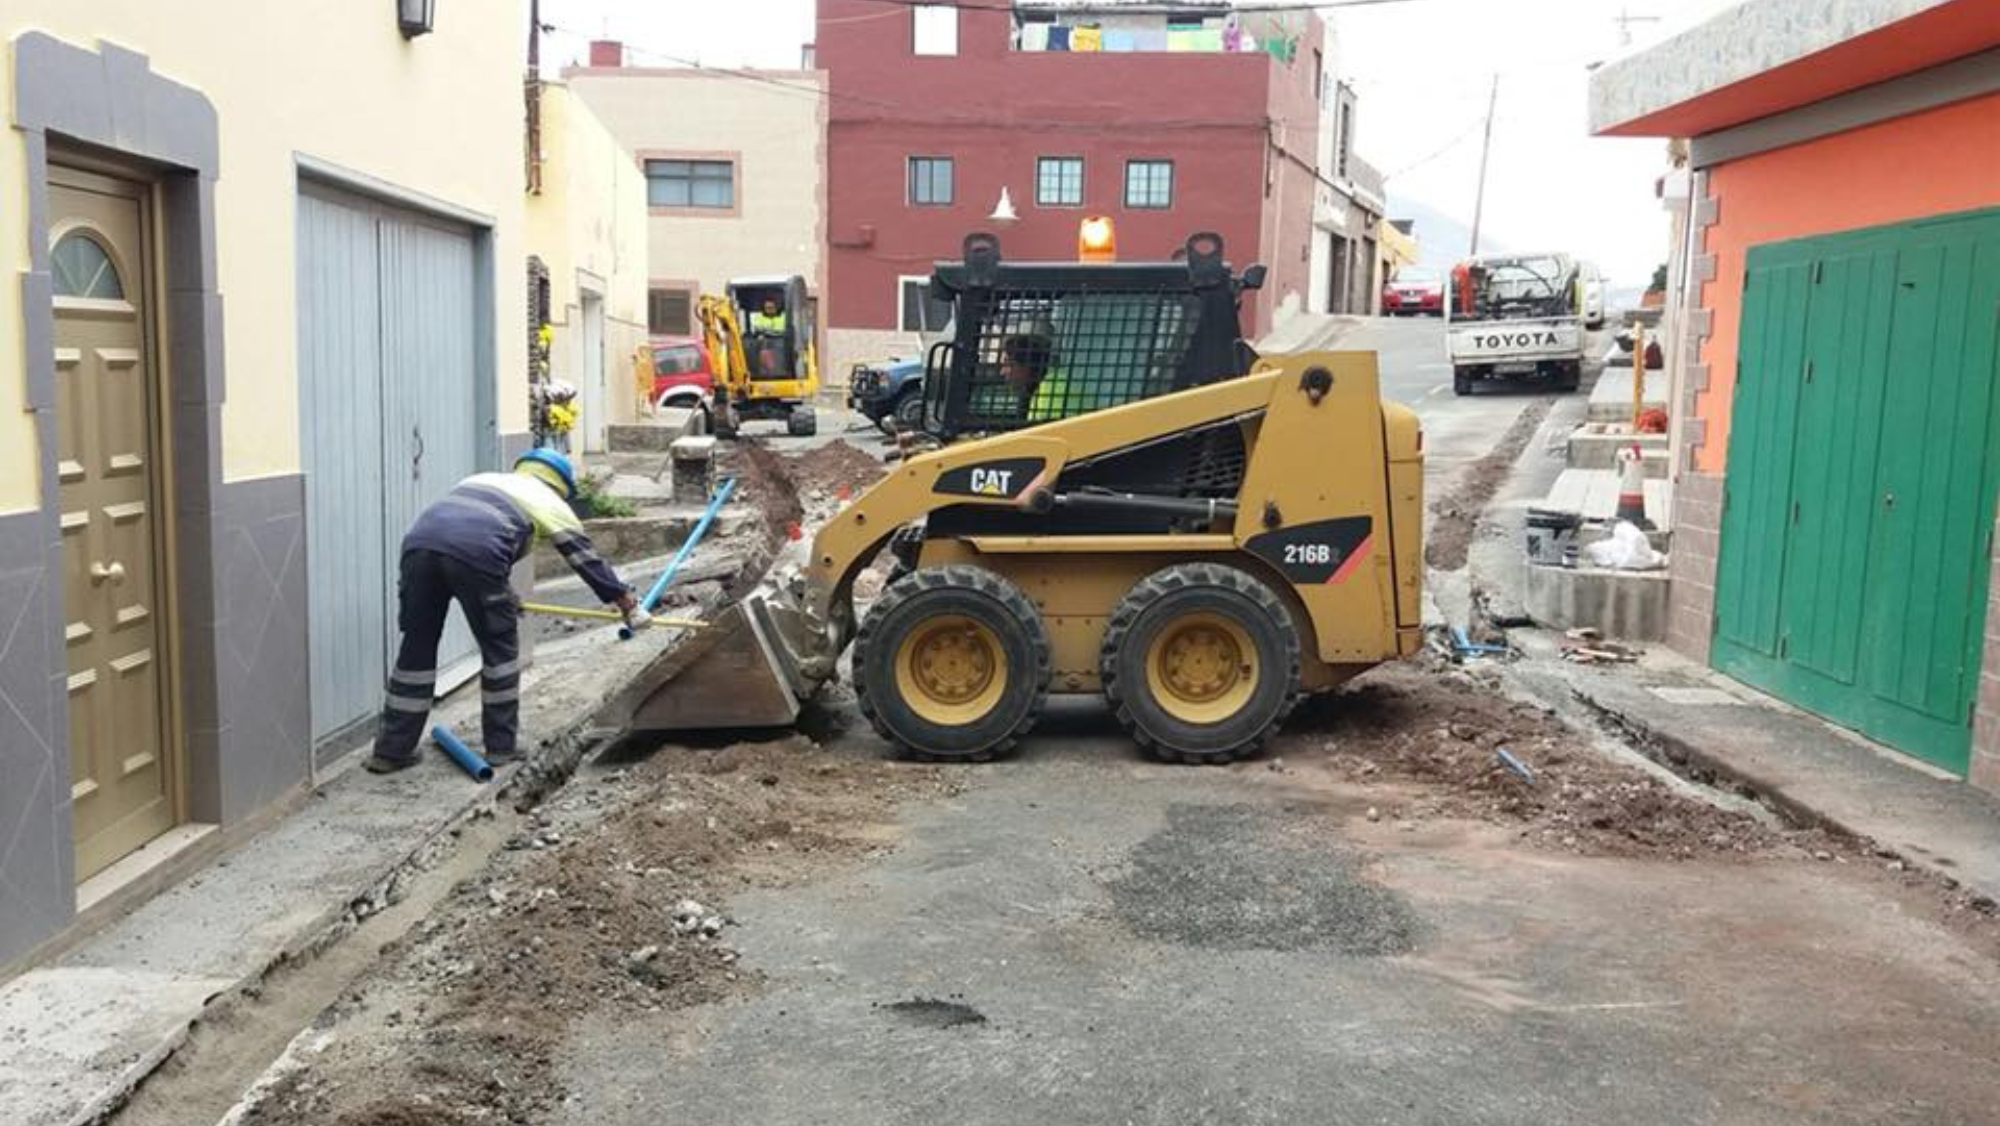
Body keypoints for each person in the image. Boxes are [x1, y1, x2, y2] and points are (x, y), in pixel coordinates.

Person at [366, 449, 645, 774]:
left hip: (419, 547)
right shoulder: (551, 503)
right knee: (499, 651)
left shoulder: (483, 479)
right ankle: (501, 748)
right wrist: (628, 604)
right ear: (560, 487)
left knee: (417, 647)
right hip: (476, 554)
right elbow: (586, 562)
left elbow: (464, 533)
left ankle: (391, 751)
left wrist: (503, 593)